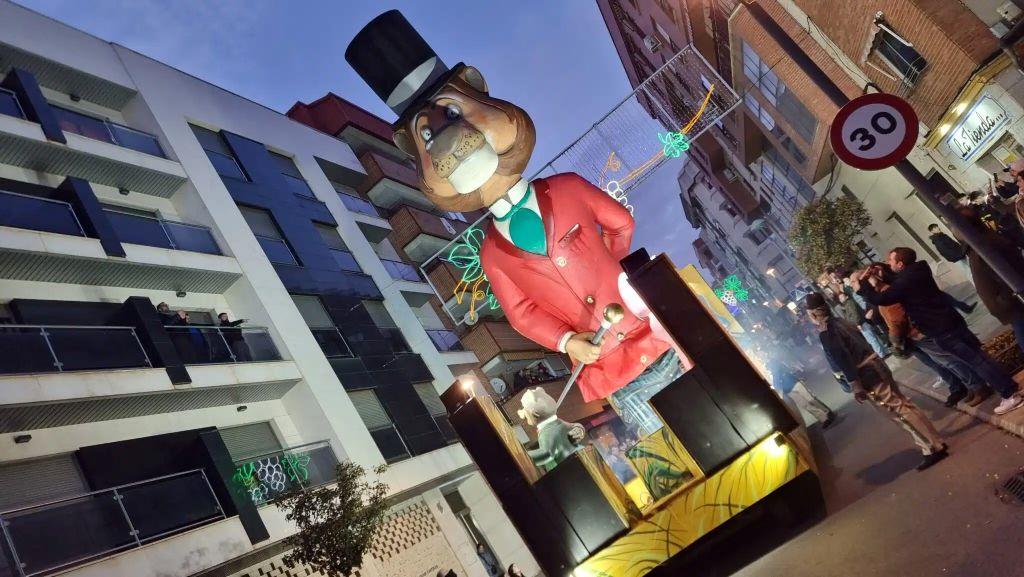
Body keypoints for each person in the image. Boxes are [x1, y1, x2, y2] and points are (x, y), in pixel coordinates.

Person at [854, 247, 1023, 415]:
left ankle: (1009, 394)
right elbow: (899, 283)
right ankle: (1010, 388)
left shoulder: (905, 282)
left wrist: (863, 285)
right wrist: (883, 275)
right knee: (980, 356)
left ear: (900, 264)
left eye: (890, 261)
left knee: (977, 361)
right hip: (952, 320)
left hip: (939, 328)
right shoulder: (919, 269)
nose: (888, 263)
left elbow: (882, 298)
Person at [805, 293, 948, 470]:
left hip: (867, 375)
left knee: (899, 412)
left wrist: (855, 385)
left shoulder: (827, 333)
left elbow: (843, 359)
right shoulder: (841, 322)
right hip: (876, 365)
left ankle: (932, 447)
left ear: (813, 314)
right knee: (903, 405)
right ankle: (936, 441)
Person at [865, 263, 989, 408]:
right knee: (945, 361)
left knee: (950, 360)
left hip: (919, 332)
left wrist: (895, 340)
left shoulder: (887, 291)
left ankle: (977, 386)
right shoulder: (885, 291)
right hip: (917, 333)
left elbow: (897, 320)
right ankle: (972, 386)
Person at [957, 207, 1024, 356]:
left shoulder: (985, 246)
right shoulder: (978, 245)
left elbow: (1009, 272)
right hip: (1011, 304)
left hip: (1014, 303)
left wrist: (1005, 300)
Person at [766, 355, 835, 428]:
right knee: (806, 405)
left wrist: (777, 389)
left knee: (811, 400)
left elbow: (776, 377)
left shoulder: (773, 362)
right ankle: (824, 418)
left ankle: (827, 413)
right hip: (788, 390)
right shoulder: (769, 366)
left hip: (794, 383)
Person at [837, 292, 887, 357]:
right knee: (873, 338)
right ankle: (884, 352)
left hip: (861, 323)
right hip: (862, 322)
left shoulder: (849, 303)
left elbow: (854, 313)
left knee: (871, 339)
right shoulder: (847, 304)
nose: (841, 299)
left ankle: (882, 354)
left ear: (846, 297)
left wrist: (858, 323)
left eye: (842, 297)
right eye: (840, 298)